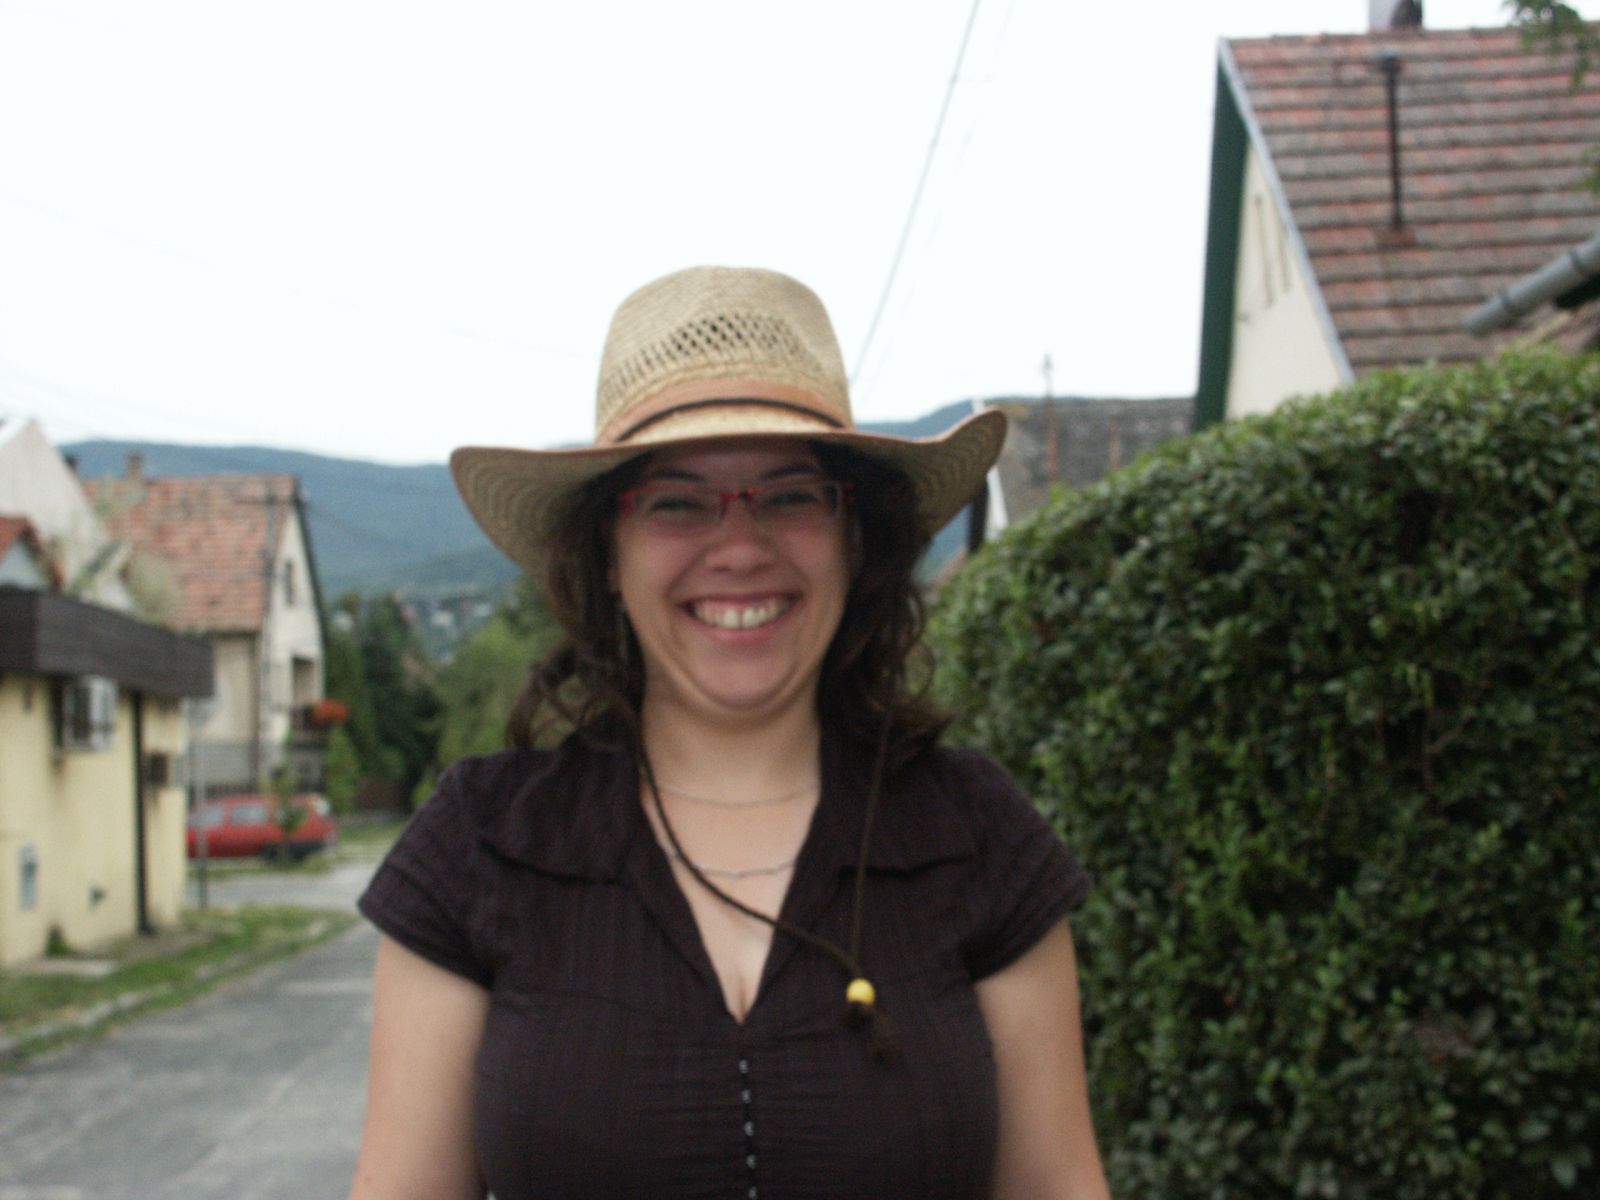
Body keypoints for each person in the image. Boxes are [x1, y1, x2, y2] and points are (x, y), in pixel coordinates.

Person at [348, 265, 1111, 1200]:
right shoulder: (480, 844)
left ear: (854, 537)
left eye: (791, 496)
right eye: (676, 501)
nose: (741, 548)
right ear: (608, 553)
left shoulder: (978, 836)